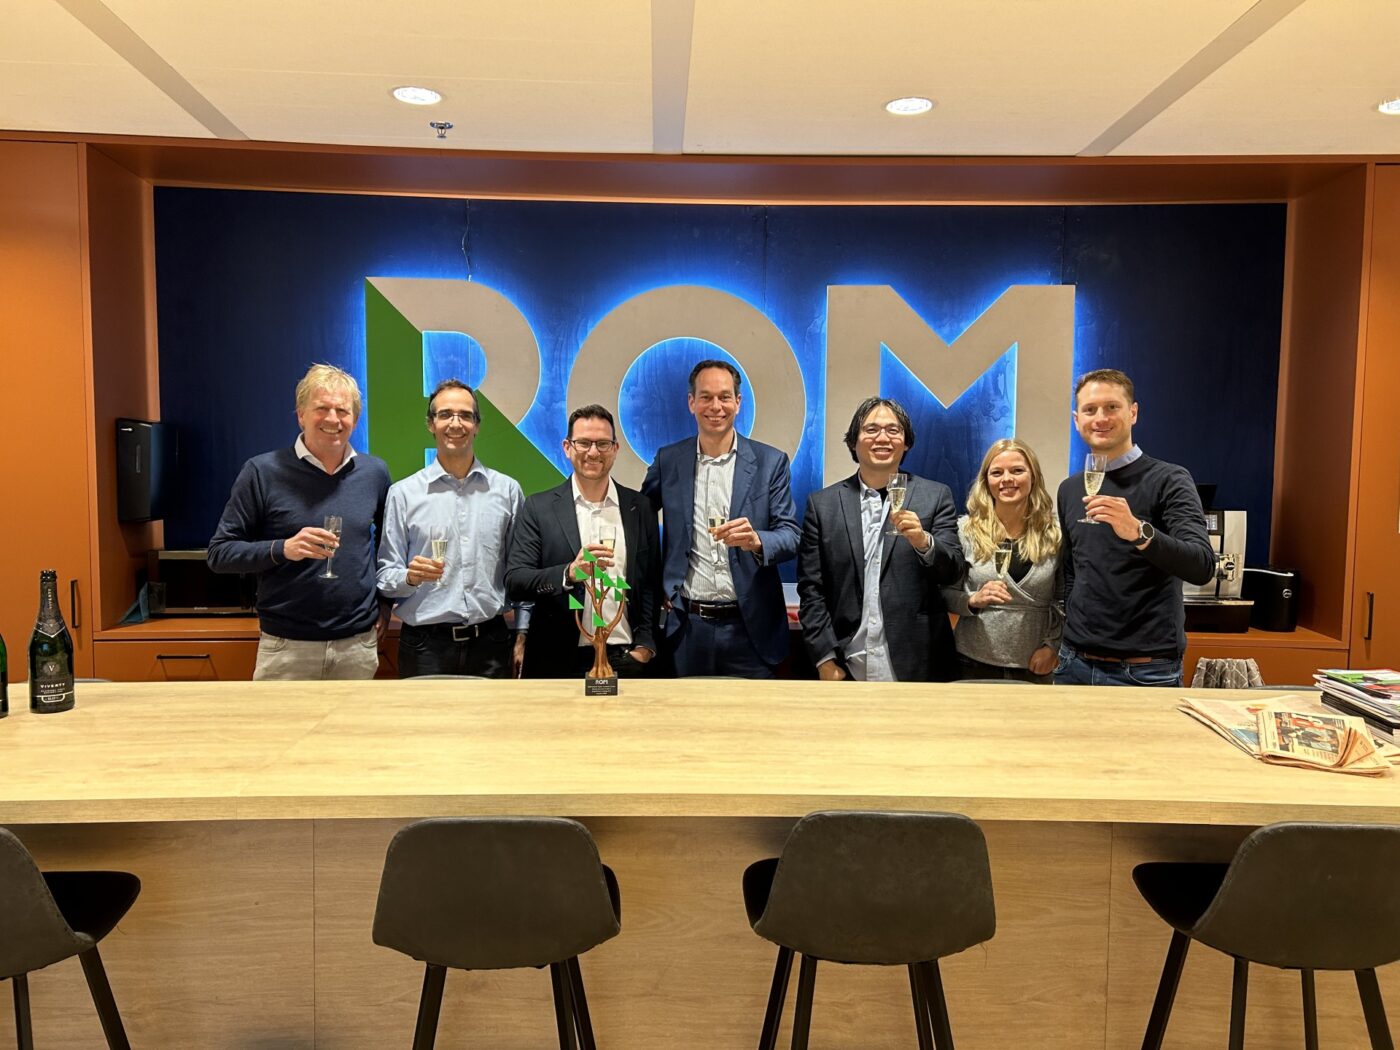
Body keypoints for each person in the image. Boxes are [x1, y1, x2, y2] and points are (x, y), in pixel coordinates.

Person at [208, 363, 391, 680]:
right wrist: (283, 549)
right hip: (286, 648)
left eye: (342, 411)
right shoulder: (262, 472)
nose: (333, 419)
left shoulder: (374, 473)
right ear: (301, 415)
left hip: (357, 646)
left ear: (355, 419)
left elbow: (389, 546)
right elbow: (220, 553)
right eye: (322, 409)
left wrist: (385, 604)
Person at [1055, 369, 1215, 687]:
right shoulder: (1069, 489)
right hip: (1073, 663)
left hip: (1145, 672)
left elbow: (1202, 566)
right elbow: (1073, 570)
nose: (1100, 418)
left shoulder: (1170, 479)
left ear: (1133, 412)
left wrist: (1140, 532)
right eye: (1090, 409)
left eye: (1112, 407)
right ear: (1077, 419)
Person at [641, 360, 800, 678]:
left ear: (738, 403)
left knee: (752, 712)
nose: (716, 406)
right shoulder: (669, 460)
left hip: (751, 629)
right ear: (692, 402)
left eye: (725, 397)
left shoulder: (770, 462)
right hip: (687, 628)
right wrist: (657, 585)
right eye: (706, 397)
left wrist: (757, 540)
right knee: (685, 710)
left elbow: (791, 535)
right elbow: (640, 524)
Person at [797, 397, 965, 682]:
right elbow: (811, 589)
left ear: (906, 442)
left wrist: (924, 543)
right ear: (853, 441)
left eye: (893, 430)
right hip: (847, 664)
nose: (883, 438)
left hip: (918, 665)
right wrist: (825, 659)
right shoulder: (823, 505)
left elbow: (954, 571)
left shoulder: (935, 496)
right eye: (871, 429)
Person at [375, 379, 526, 679]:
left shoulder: (508, 491)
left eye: (465, 415)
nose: (455, 424)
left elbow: (520, 573)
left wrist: (522, 632)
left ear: (477, 425)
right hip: (425, 647)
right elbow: (385, 576)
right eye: (445, 414)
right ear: (431, 424)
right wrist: (410, 577)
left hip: (491, 643)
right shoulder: (403, 494)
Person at [505, 404, 660, 678]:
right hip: (557, 660)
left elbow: (649, 583)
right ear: (567, 447)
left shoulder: (640, 507)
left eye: (602, 443)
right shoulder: (539, 508)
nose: (593, 452)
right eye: (584, 443)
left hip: (625, 658)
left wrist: (645, 645)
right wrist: (568, 573)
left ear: (615, 448)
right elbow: (516, 581)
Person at [943, 438, 1062, 683]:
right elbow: (945, 593)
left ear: (1033, 477)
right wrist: (972, 600)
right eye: (997, 473)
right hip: (971, 661)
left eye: (1017, 470)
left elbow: (1064, 599)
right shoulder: (965, 531)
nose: (1007, 479)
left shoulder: (1055, 534)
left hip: (1035, 665)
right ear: (986, 481)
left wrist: (1053, 645)